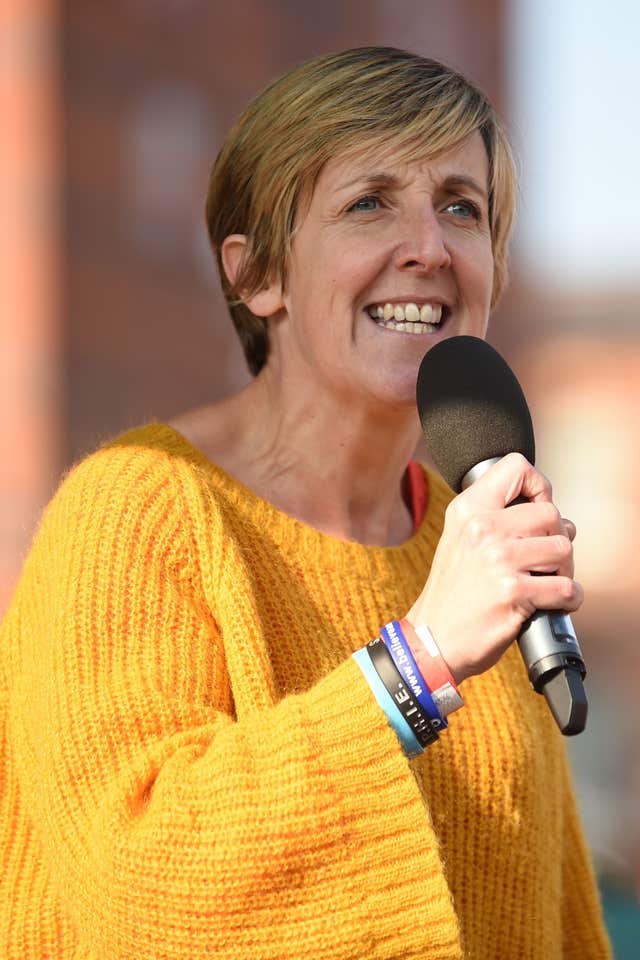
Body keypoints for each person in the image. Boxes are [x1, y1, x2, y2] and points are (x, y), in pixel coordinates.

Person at [0, 46, 611, 959]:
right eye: (369, 202)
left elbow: (556, 924)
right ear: (257, 277)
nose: (430, 247)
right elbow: (135, 888)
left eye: (461, 206)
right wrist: (421, 660)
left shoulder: (476, 540)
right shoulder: (135, 511)